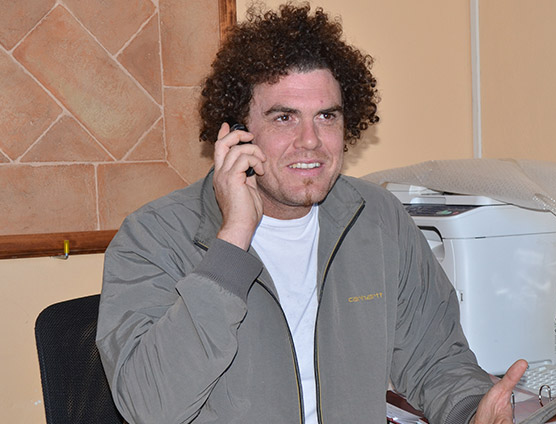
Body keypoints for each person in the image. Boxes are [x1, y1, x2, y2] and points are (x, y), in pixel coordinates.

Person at [96, 2, 527, 423]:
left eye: (326, 116)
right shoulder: (153, 236)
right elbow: (148, 407)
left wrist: (470, 411)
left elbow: (435, 357)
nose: (310, 140)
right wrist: (232, 240)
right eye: (284, 118)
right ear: (238, 134)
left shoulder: (379, 219)